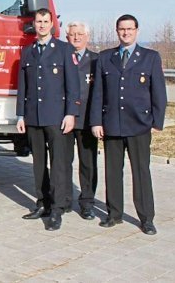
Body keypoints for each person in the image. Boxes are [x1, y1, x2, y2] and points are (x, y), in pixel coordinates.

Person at [90, 14, 167, 235]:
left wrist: (157, 121)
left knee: (141, 172)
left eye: (130, 29)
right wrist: (96, 121)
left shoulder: (150, 57)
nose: (126, 33)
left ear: (137, 31)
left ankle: (146, 218)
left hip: (139, 125)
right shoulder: (105, 57)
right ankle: (114, 214)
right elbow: (98, 93)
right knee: (113, 172)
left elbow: (158, 92)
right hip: (112, 124)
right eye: (122, 29)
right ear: (117, 31)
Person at [16, 8, 79, 231]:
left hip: (56, 117)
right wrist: (21, 115)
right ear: (34, 24)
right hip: (34, 116)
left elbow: (73, 85)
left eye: (45, 21)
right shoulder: (28, 52)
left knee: (58, 165)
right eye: (38, 21)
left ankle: (57, 209)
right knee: (39, 164)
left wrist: (71, 113)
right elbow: (23, 86)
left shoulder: (64, 50)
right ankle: (42, 203)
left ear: (52, 24)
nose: (42, 25)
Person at [65, 21, 98, 220]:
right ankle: (65, 199)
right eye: (72, 34)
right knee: (64, 162)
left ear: (87, 37)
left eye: (80, 34)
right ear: (67, 37)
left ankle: (87, 203)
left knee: (88, 164)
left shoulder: (96, 60)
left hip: (87, 121)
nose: (76, 38)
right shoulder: (62, 58)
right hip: (66, 120)